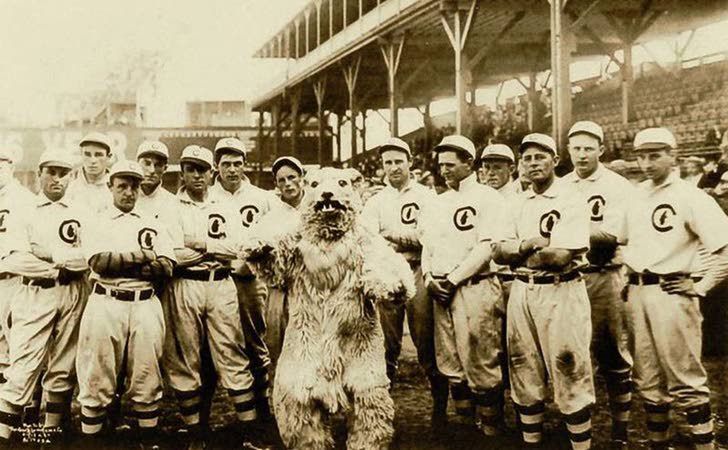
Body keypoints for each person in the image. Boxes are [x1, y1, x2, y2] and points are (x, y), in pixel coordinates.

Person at [622, 128, 728, 450]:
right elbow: (623, 242)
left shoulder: (692, 196)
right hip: (637, 292)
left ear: (673, 155)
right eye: (642, 156)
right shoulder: (636, 195)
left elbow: (724, 248)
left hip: (671, 292)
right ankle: (659, 443)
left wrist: (700, 285)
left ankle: (705, 446)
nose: (647, 163)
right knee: (648, 380)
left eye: (655, 155)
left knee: (686, 378)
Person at [492, 133, 595, 450]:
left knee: (569, 370)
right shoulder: (516, 201)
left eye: (540, 156)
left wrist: (519, 250)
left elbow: (559, 257)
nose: (533, 163)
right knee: (524, 371)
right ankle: (532, 443)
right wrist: (529, 245)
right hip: (523, 290)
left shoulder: (571, 198)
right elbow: (497, 251)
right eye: (527, 158)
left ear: (555, 160)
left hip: (561, 291)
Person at [163, 145, 268, 450]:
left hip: (222, 284)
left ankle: (249, 432)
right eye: (191, 169)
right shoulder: (171, 207)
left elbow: (237, 249)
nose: (197, 175)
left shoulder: (225, 205)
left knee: (232, 353)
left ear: (212, 173)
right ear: (182, 172)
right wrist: (213, 249)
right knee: (186, 358)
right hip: (185, 285)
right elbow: (173, 254)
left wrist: (198, 244)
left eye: (202, 169)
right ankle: (196, 434)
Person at [75, 159, 176, 449]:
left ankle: (149, 441)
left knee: (147, 375)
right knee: (96, 377)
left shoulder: (152, 222)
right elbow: (100, 262)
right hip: (106, 302)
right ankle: (92, 443)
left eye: (134, 185)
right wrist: (145, 256)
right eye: (122, 185)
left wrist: (125, 260)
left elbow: (167, 266)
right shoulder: (97, 219)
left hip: (145, 304)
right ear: (111, 186)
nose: (129, 192)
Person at [420, 135, 508, 437]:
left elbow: (487, 247)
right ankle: (467, 430)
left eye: (450, 164)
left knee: (482, 360)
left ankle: (492, 432)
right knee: (451, 362)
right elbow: (427, 246)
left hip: (474, 286)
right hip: (441, 291)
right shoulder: (437, 202)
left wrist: (452, 279)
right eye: (441, 165)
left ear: (469, 162)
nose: (444, 170)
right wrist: (429, 277)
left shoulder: (488, 198)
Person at [360, 137, 449, 431]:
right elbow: (369, 239)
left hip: (419, 267)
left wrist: (394, 235)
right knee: (386, 343)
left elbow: (428, 237)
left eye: (399, 161)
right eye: (388, 162)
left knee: (425, 340)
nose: (394, 167)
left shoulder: (427, 196)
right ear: (382, 166)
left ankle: (439, 406)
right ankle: (382, 409)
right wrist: (400, 236)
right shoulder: (376, 200)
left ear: (410, 162)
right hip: (387, 271)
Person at [0, 149, 87, 446]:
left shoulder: (80, 211)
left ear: (72, 177)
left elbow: (86, 258)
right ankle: (4, 437)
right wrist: (56, 269)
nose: (57, 178)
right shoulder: (24, 208)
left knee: (63, 366)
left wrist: (49, 254)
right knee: (22, 365)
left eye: (64, 173)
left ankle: (50, 434)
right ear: (39, 174)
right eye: (51, 172)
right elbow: (13, 260)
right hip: (33, 291)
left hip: (72, 293)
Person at [562, 121, 635, 447]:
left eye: (588, 148)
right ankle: (578, 427)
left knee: (612, 354)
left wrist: (566, 232)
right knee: (571, 353)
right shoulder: (560, 185)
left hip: (604, 275)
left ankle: (621, 428)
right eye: (576, 148)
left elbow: (611, 237)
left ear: (601, 150)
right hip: (568, 278)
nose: (581, 154)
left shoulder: (618, 186)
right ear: (568, 151)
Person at [208, 137, 276, 421]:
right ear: (216, 166)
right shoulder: (206, 197)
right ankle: (203, 416)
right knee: (209, 345)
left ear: (245, 165)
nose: (232, 170)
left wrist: (252, 263)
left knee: (255, 340)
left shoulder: (262, 198)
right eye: (226, 164)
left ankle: (263, 410)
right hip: (215, 278)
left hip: (250, 279)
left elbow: (274, 237)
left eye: (238, 163)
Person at [251, 156, 308, 366]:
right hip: (284, 289)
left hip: (315, 287)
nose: (288, 184)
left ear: (302, 178)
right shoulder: (271, 218)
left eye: (292, 177)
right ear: (276, 184)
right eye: (281, 180)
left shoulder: (316, 208)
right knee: (281, 347)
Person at [0, 144, 35, 387]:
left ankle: (23, 411)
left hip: (13, 280)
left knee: (17, 345)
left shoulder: (24, 199)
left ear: (11, 167)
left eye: (1, 164)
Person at [66, 132, 113, 214]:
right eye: (87, 154)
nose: (93, 160)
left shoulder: (116, 185)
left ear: (108, 157)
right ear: (81, 155)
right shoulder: (69, 183)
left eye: (98, 155)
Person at [135, 140, 178, 221]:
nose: (152, 170)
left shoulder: (173, 202)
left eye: (158, 165)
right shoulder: (125, 198)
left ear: (165, 168)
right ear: (137, 164)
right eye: (147, 163)